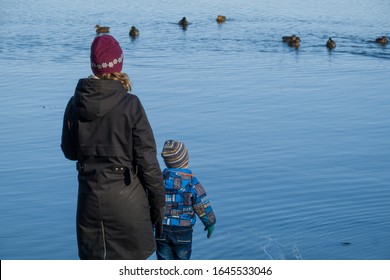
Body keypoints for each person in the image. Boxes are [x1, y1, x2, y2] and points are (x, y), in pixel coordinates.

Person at [61, 34, 165, 260]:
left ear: (93, 65)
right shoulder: (131, 104)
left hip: (89, 201)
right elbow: (147, 162)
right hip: (127, 202)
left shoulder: (74, 103)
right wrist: (158, 206)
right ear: (119, 62)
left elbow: (70, 152)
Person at [156, 140, 216, 260]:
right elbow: (202, 205)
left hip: (161, 229)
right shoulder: (191, 182)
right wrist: (210, 223)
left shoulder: (158, 181)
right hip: (183, 231)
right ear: (186, 161)